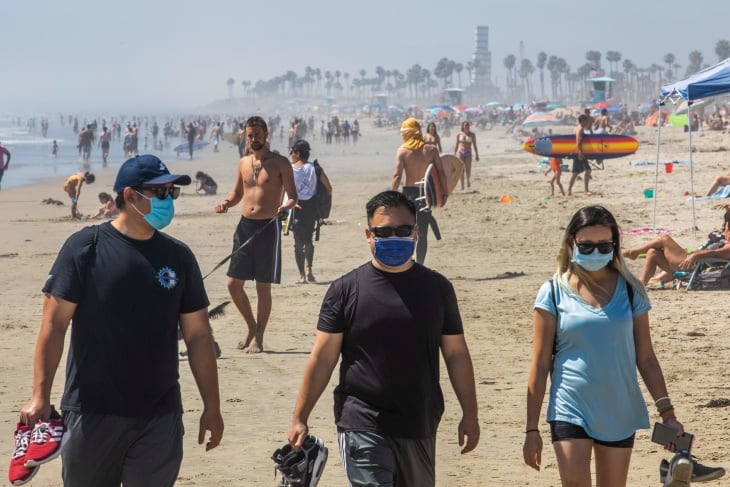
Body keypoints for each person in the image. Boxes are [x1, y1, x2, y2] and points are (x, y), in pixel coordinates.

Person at [19, 154, 223, 486]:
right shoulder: (85, 248)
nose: (168, 200)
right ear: (130, 196)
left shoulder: (179, 257)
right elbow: (54, 325)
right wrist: (40, 394)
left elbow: (199, 335)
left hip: (160, 416)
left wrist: (211, 406)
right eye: (160, 193)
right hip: (91, 414)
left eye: (173, 193)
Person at [287, 190, 479, 486]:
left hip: (419, 421)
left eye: (402, 230)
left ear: (416, 233)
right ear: (368, 234)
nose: (393, 237)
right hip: (361, 421)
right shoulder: (344, 291)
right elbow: (323, 357)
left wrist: (470, 413)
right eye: (383, 231)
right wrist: (300, 416)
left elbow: (456, 354)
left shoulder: (437, 289)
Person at [523, 205, 685, 486]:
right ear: (571, 242)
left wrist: (668, 414)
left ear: (614, 246)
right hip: (569, 406)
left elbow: (646, 358)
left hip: (619, 409)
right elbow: (539, 364)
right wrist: (531, 429)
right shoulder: (552, 291)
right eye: (585, 246)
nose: (595, 252)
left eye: (603, 245)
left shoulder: (632, 290)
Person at [214, 116, 298, 353]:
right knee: (233, 284)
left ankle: (258, 337)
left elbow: (293, 195)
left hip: (267, 228)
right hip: (244, 227)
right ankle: (251, 325)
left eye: (257, 134)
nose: (254, 139)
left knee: (263, 287)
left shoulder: (281, 163)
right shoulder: (243, 163)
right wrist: (226, 203)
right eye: (250, 135)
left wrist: (286, 206)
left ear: (266, 133)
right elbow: (237, 193)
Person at [622, 211, 730, 287]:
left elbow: (715, 252)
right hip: (689, 263)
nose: (724, 232)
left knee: (664, 239)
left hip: (693, 266)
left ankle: (633, 252)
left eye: (727, 230)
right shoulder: (723, 239)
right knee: (653, 252)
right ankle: (641, 284)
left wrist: (694, 255)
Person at [392, 117, 441, 264]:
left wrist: (392, 195)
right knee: (423, 233)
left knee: (407, 232)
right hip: (425, 194)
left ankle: (407, 261)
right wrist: (443, 194)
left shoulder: (402, 151)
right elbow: (442, 174)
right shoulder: (432, 150)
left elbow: (397, 175)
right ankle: (419, 265)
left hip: (409, 195)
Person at [288, 139, 332, 284]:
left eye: (292, 152)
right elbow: (329, 188)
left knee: (297, 243)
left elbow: (282, 191)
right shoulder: (316, 168)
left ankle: (302, 276)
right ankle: (309, 271)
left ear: (298, 153)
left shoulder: (289, 169)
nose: (291, 155)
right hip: (312, 209)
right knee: (308, 241)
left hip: (295, 207)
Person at [568, 114, 593, 196]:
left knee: (575, 173)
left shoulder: (576, 128)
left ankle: (569, 191)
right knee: (588, 170)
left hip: (576, 152)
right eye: (586, 121)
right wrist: (580, 152)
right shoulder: (580, 129)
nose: (587, 122)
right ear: (582, 120)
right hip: (579, 152)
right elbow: (578, 141)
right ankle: (586, 190)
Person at [453, 121, 479, 189]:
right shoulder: (459, 134)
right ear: (463, 126)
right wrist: (454, 154)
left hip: (468, 152)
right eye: (465, 125)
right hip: (460, 151)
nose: (467, 126)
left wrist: (477, 154)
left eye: (468, 125)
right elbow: (456, 144)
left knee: (468, 168)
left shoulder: (472, 135)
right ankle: (462, 185)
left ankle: (468, 180)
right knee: (461, 168)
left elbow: (475, 145)